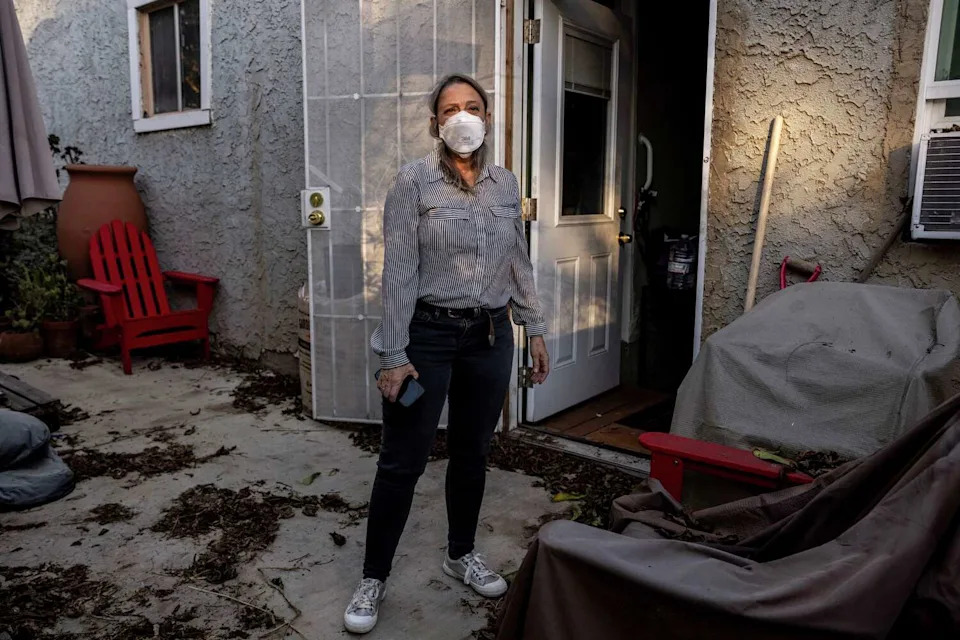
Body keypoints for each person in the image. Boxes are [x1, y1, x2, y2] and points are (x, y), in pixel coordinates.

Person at [343, 73, 551, 634]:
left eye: (473, 107)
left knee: (472, 452)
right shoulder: (413, 182)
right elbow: (399, 273)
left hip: (489, 336)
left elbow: (518, 263)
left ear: (487, 116)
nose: (463, 116)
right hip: (428, 336)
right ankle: (373, 576)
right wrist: (394, 352)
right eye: (451, 108)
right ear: (436, 122)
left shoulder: (506, 184)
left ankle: (460, 554)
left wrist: (533, 327)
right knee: (402, 460)